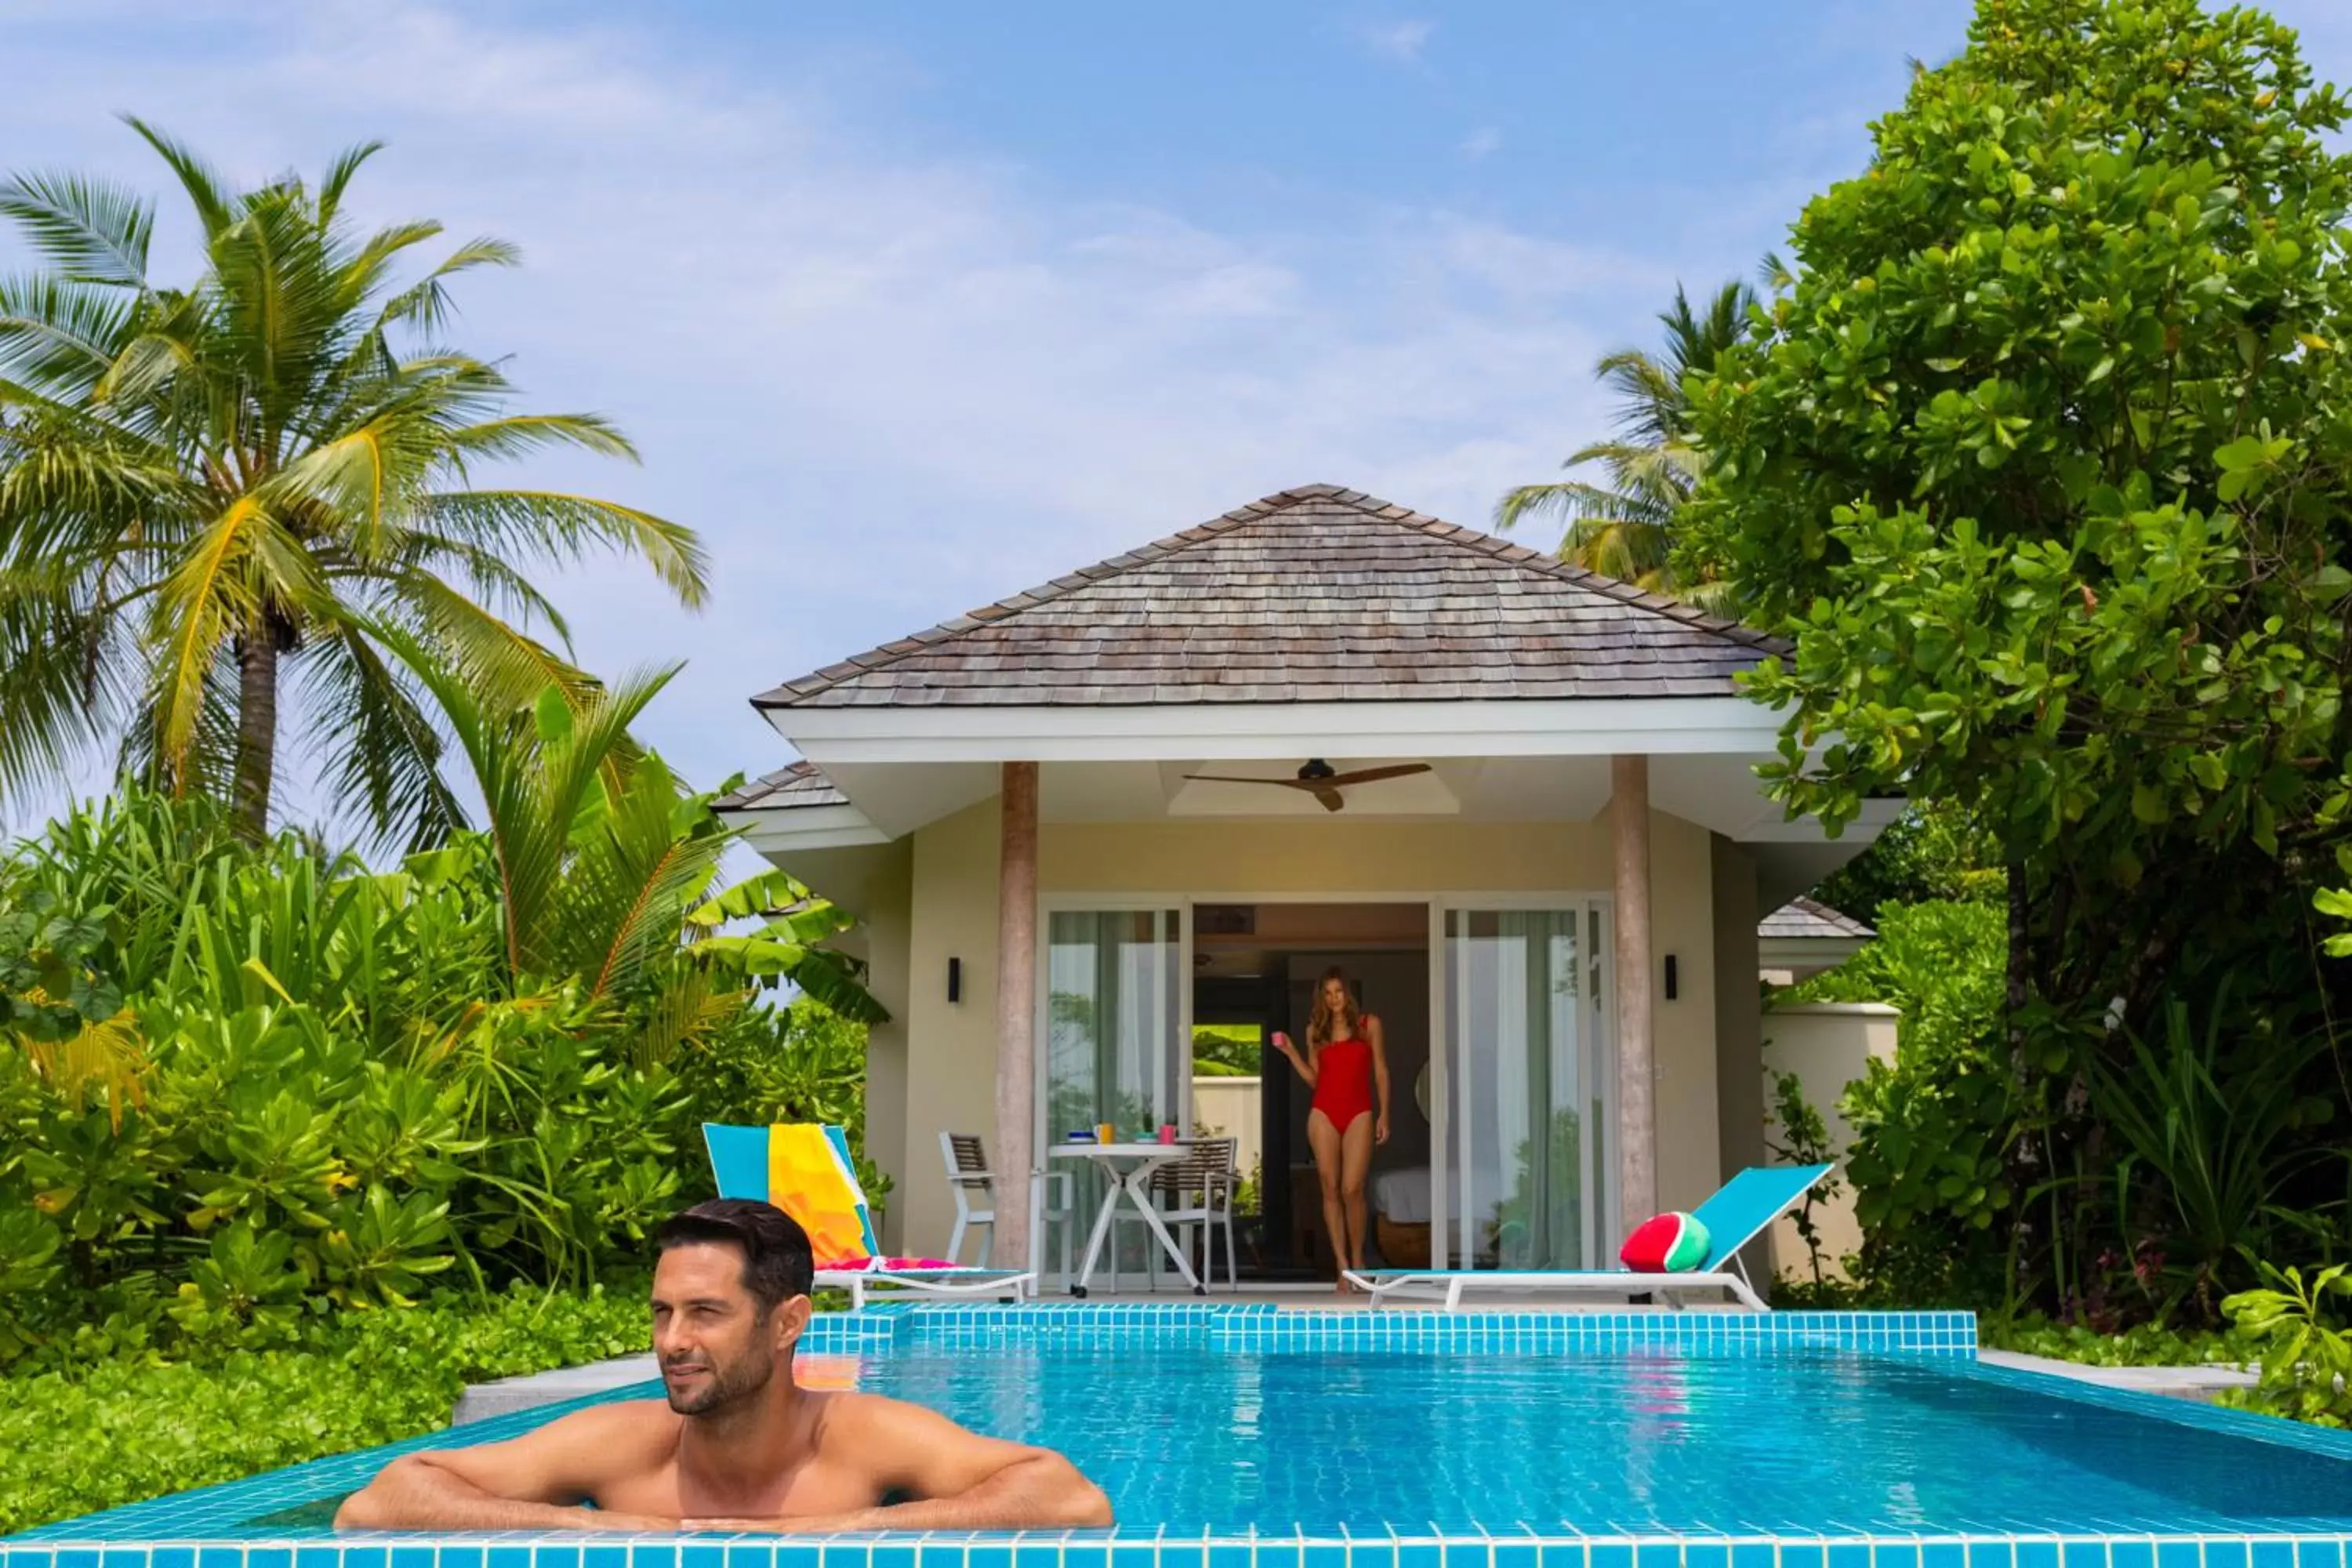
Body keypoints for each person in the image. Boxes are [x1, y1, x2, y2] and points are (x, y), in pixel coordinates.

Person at [336, 1200, 1112, 1534]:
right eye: (662, 1311)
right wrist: (593, 1526)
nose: (672, 1340)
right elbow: (381, 1501)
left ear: (788, 1322)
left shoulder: (860, 1436)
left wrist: (849, 1526)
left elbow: (1070, 1498)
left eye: (705, 1313)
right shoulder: (621, 1446)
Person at [1270, 967, 1390, 1292]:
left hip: (1359, 1112)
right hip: (1323, 1112)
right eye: (1328, 993)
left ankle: (1358, 1260)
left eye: (1339, 991)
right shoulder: (1316, 1032)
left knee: (1352, 1188)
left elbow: (1380, 1071)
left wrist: (1384, 1115)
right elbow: (1314, 1080)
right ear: (1321, 997)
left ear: (1348, 994)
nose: (1334, 998)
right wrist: (1292, 1052)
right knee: (1329, 1187)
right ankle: (1341, 1265)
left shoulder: (1369, 1025)